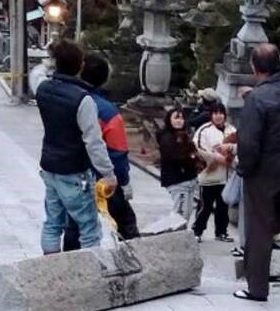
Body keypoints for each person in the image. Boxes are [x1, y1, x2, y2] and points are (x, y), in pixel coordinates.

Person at [235, 43, 280, 302]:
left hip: (264, 170)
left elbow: (249, 142)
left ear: (255, 68)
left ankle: (257, 288)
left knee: (260, 228)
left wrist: (244, 167)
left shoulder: (257, 99)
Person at [35, 39, 116, 253]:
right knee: (88, 227)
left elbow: (37, 74)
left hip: (49, 165)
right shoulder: (83, 100)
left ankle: (50, 266)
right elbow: (94, 142)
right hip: (74, 170)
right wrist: (108, 174)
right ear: (79, 66)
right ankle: (92, 270)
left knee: (52, 222)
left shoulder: (43, 89)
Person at [63, 53, 140, 250]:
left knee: (74, 227)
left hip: (71, 175)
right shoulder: (108, 112)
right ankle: (135, 262)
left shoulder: (66, 101)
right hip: (102, 182)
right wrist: (123, 182)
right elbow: (117, 153)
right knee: (127, 224)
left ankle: (67, 266)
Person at [192, 102, 235, 242]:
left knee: (223, 206)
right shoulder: (204, 130)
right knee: (206, 206)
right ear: (211, 115)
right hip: (209, 175)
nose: (218, 116)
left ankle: (221, 232)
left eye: (221, 113)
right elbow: (198, 149)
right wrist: (216, 157)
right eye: (215, 113)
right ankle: (197, 231)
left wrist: (231, 160)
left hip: (226, 176)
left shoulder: (231, 130)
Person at [159, 108, 200, 222]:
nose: (179, 121)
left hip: (189, 178)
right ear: (169, 120)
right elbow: (172, 156)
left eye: (181, 118)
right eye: (176, 118)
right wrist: (190, 157)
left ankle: (180, 234)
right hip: (177, 179)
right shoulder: (167, 137)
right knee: (180, 212)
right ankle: (175, 236)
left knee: (187, 212)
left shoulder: (184, 135)